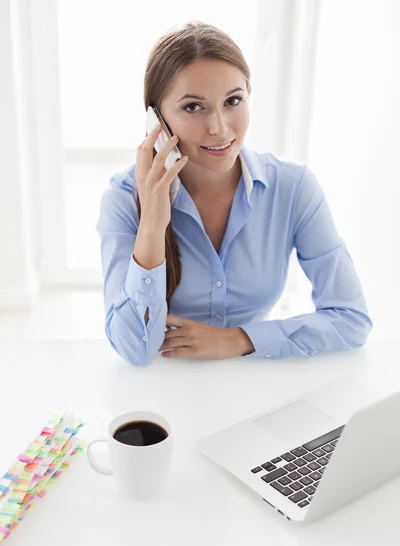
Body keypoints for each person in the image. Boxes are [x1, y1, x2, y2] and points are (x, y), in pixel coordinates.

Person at [96, 20, 372, 367]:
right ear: (157, 120)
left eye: (232, 100)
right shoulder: (123, 200)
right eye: (193, 107)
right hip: (166, 391)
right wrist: (151, 223)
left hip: (254, 376)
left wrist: (238, 340)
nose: (220, 128)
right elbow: (135, 349)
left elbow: (351, 319)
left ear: (249, 95)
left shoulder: (293, 187)